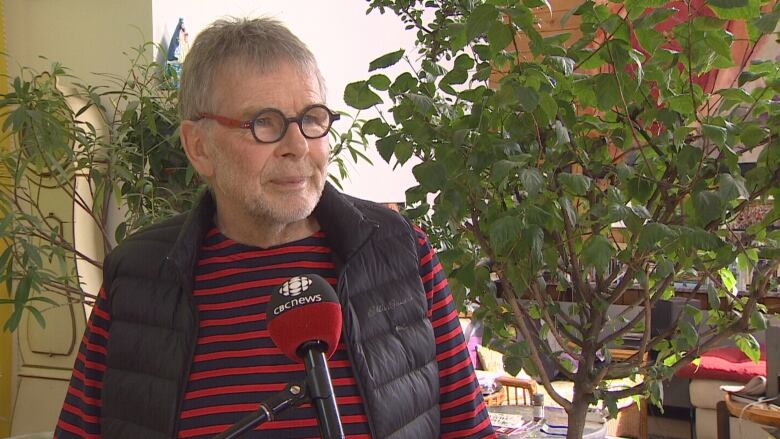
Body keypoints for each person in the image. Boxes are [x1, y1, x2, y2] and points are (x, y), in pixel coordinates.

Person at [55, 17, 495, 439]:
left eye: (312, 118)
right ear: (199, 147)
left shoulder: (401, 256)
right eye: (264, 122)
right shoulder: (138, 278)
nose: (297, 146)